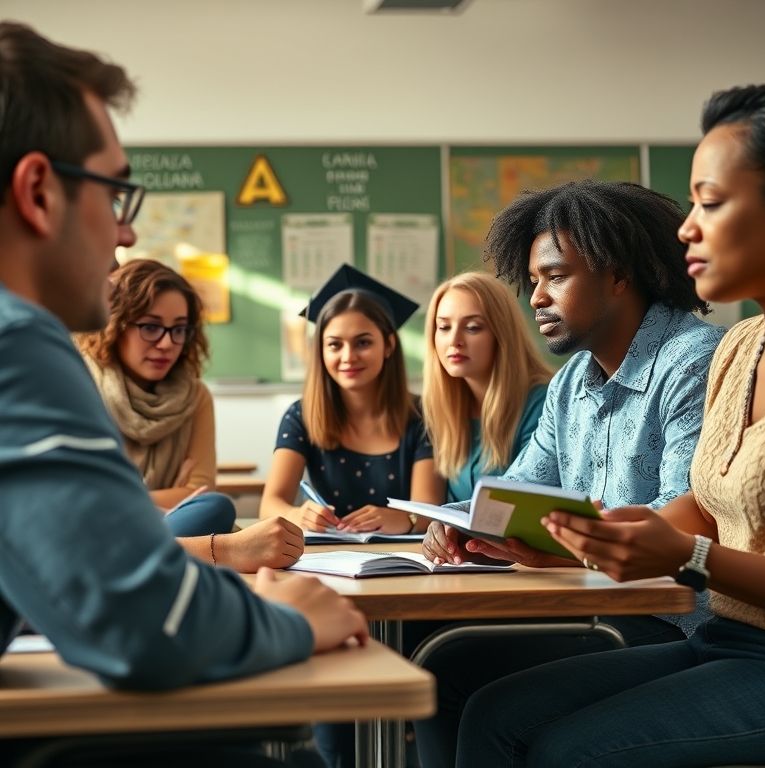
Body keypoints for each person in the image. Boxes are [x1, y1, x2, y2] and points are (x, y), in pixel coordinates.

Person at [0, 21, 367, 766]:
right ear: (39, 192)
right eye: (115, 195)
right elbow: (142, 623)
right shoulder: (17, 344)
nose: (126, 236)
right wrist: (291, 619)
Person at [455, 83, 765, 768]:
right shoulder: (744, 349)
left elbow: (691, 544)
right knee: (491, 712)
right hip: (727, 639)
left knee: (566, 749)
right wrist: (571, 541)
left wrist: (683, 556)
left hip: (712, 634)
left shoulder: (697, 353)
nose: (687, 228)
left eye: (711, 202)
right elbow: (700, 510)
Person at [416, 179, 726, 767]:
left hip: (675, 622)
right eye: (533, 280)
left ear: (618, 276)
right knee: (441, 667)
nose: (535, 297)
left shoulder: (693, 362)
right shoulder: (571, 383)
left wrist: (556, 547)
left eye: (555, 277)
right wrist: (453, 520)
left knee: (478, 693)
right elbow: (515, 491)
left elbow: (681, 525)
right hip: (594, 605)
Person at [77, 258, 302, 572]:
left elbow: (200, 491)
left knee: (214, 507)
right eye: (150, 327)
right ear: (116, 324)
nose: (167, 343)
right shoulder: (80, 384)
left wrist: (129, 495)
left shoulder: (195, 397)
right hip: (99, 533)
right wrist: (168, 497)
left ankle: (144, 557)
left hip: (170, 527)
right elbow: (89, 500)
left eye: (179, 329)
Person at [261, 263, 445, 535]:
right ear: (321, 350)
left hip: (403, 554)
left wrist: (404, 519)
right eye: (334, 344)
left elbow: (429, 511)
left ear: (389, 345)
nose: (348, 357)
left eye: (363, 343)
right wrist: (296, 514)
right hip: (327, 554)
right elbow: (269, 505)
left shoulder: (423, 415)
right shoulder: (300, 415)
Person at [422, 271, 551, 502]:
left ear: (501, 334)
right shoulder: (444, 407)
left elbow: (526, 500)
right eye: (444, 327)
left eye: (472, 327)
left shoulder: (543, 403)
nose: (454, 341)